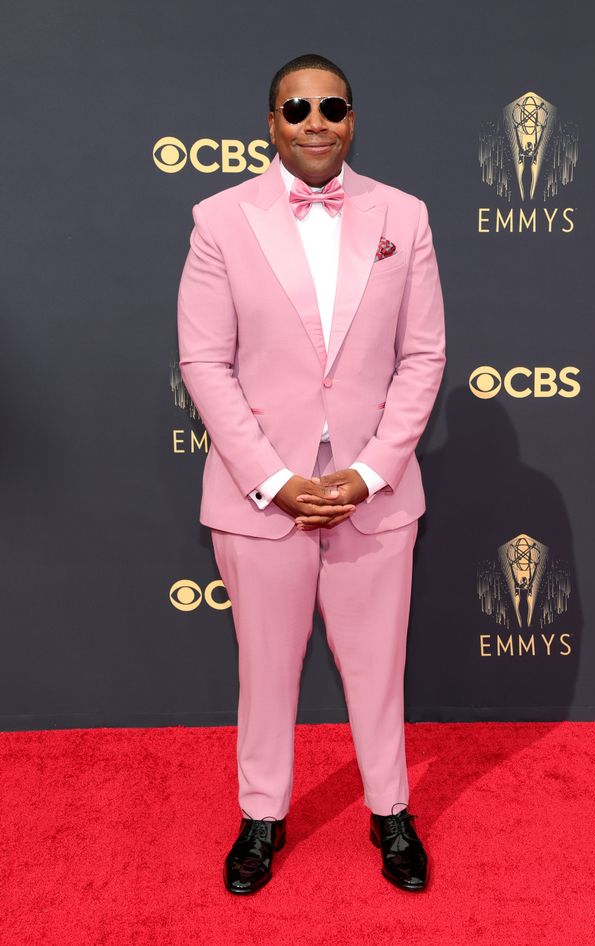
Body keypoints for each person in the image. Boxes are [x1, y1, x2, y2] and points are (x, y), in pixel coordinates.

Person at [177, 53, 446, 894]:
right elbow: (204, 361)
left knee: (378, 667)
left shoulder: (405, 214)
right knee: (264, 669)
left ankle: (390, 810)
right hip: (260, 502)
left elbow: (424, 355)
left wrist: (369, 474)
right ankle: (262, 815)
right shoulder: (219, 219)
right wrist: (272, 478)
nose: (316, 121)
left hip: (375, 496)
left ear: (353, 118)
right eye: (298, 110)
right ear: (272, 124)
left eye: (333, 106)